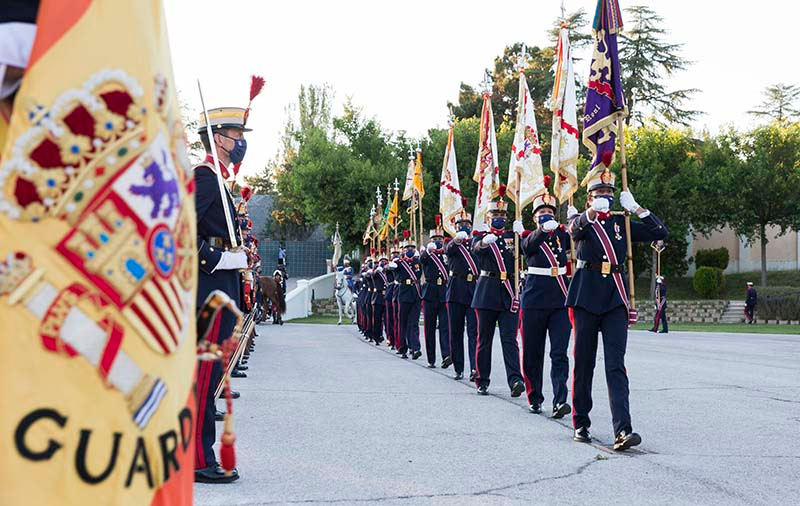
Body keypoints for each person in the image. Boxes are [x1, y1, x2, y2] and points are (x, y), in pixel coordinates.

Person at [567, 167, 668, 451]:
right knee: (584, 362)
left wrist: (637, 209)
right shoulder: (582, 221)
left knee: (616, 365)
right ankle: (581, 422)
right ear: (589, 199)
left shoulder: (620, 224)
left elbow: (660, 232)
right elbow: (573, 231)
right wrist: (588, 214)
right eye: (599, 194)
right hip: (585, 297)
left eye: (609, 194)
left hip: (614, 299)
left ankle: (623, 429)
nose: (605, 198)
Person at [194, 106, 251, 482]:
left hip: (220, 291)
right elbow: (182, 228)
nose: (241, 142)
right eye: (234, 135)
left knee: (210, 374)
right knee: (201, 376)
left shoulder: (219, 179)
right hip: (209, 290)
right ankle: (199, 458)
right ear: (218, 138)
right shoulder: (205, 176)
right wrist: (219, 259)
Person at [519, 178, 573, 417]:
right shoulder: (529, 236)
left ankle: (560, 400)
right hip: (534, 300)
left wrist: (577, 220)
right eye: (542, 212)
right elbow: (527, 247)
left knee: (559, 352)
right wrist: (542, 229)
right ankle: (534, 397)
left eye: (550, 211)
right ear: (535, 217)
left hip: (560, 299)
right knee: (533, 351)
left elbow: (580, 239)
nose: (547, 215)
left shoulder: (562, 235)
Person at [471, 185, 525, 397]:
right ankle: (482, 379)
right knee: (484, 340)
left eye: (503, 214)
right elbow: (475, 249)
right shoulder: (480, 235)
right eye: (496, 214)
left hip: (509, 293)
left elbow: (527, 251)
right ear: (488, 216)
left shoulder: (514, 237)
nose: (499, 217)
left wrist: (524, 234)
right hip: (486, 293)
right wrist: (484, 242)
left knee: (510, 339)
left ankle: (515, 380)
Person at [446, 201, 479, 381]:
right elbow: (448, 250)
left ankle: (475, 368)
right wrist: (456, 239)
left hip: (473, 289)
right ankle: (459, 367)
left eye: (467, 225)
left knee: (474, 332)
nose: (464, 228)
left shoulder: (475, 242)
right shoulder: (452, 243)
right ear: (455, 226)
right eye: (461, 225)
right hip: (456, 290)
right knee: (456, 331)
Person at [420, 217, 452, 369]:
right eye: (435, 238)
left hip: (444, 292)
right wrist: (427, 250)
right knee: (429, 327)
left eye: (440, 238)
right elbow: (422, 260)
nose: (438, 241)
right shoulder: (428, 253)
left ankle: (446, 355)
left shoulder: (447, 252)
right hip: (430, 292)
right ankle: (431, 358)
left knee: (445, 326)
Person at [394, 231, 423, 360]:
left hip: (416, 292)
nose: (410, 250)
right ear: (403, 250)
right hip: (404, 293)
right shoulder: (399, 263)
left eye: (412, 248)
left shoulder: (418, 261)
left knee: (414, 322)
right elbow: (392, 271)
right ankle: (403, 347)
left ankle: (415, 347)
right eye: (408, 248)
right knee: (403, 322)